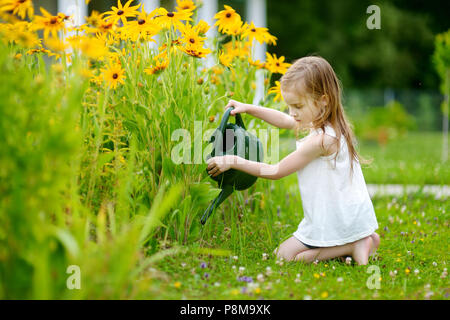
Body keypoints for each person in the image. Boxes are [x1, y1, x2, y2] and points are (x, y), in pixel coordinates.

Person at [206, 55, 380, 265]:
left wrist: (233, 160)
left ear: (323, 100)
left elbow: (276, 170)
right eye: (289, 106)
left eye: (297, 106)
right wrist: (248, 107)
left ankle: (351, 245)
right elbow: (284, 120)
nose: (292, 113)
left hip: (336, 219)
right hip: (347, 215)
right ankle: (363, 240)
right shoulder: (327, 124)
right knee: (289, 254)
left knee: (284, 256)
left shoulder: (321, 141)